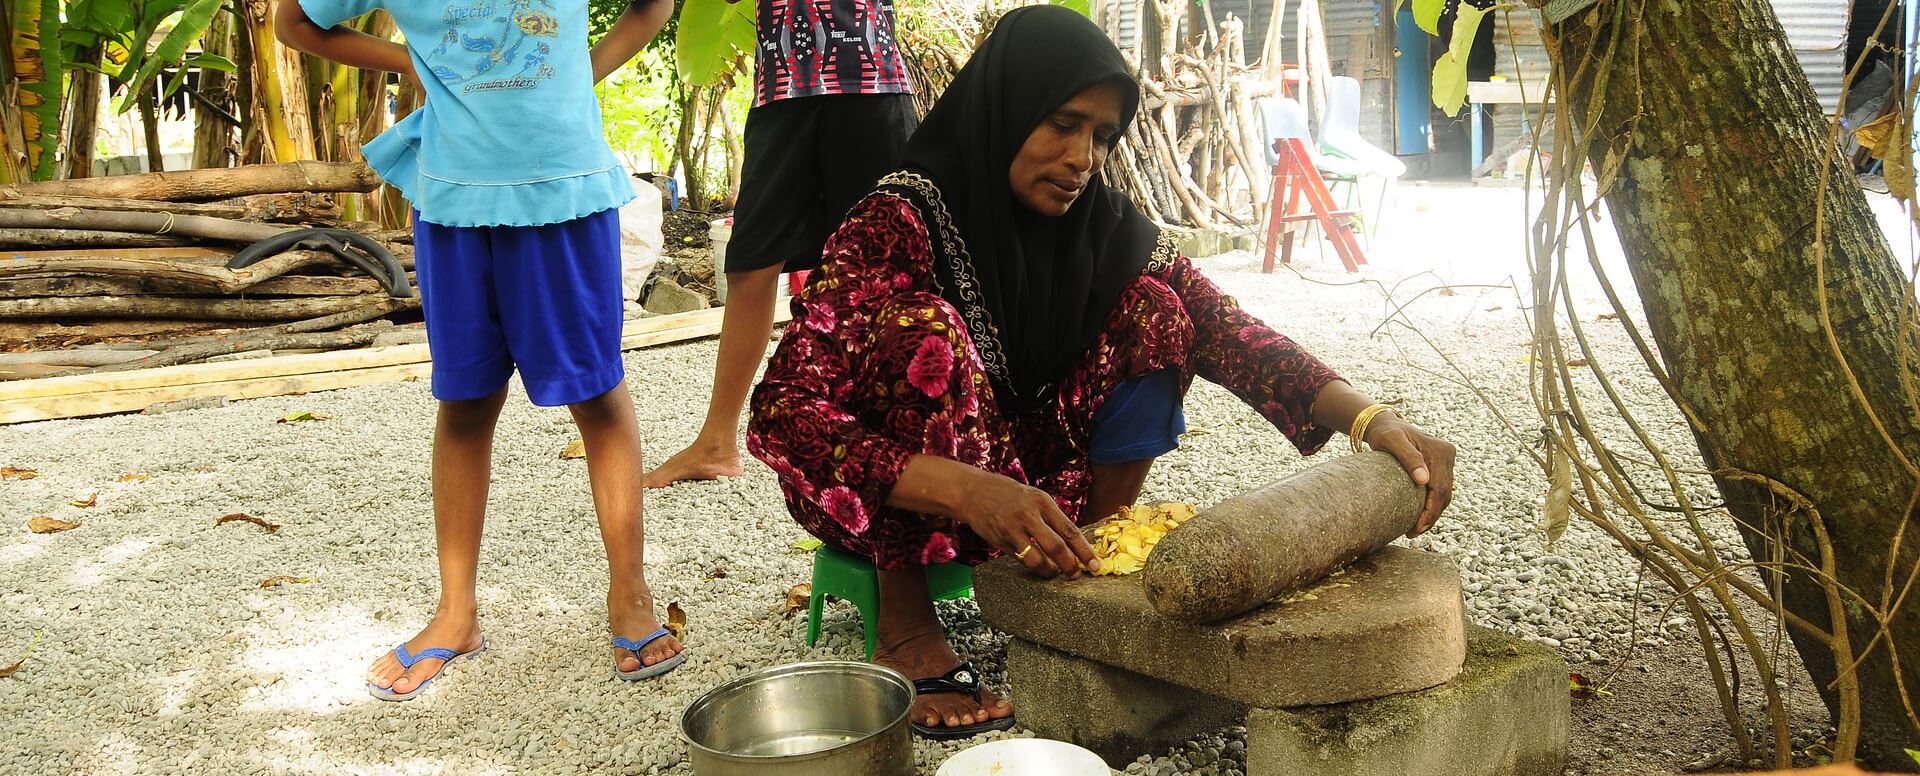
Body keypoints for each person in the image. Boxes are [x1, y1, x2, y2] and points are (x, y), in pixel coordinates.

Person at [745, 6, 1457, 739]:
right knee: (920, 335)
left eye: (1102, 136)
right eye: (1062, 123)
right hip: (882, 492)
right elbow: (781, 411)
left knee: (1160, 310)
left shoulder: (1102, 226)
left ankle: (1092, 556)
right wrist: (961, 485)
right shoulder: (895, 220)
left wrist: (1374, 419)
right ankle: (904, 621)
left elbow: (1223, 326)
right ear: (1007, 106)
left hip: (1029, 495)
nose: (1083, 156)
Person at [276, 0, 687, 700]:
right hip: (453, 200)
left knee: (595, 390)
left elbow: (654, 8)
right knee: (464, 402)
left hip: (567, 190)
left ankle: (630, 592)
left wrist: (576, 77)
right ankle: (455, 612)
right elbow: (295, 22)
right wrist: (409, 61)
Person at [643, 0, 918, 488]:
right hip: (782, 85)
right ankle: (717, 442)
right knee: (749, 262)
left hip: (869, 77)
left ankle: (899, 433)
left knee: (884, 262)